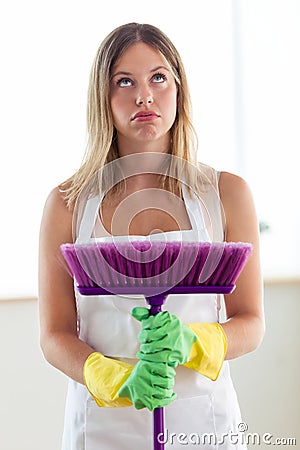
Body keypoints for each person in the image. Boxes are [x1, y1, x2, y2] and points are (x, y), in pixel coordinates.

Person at [38, 23, 265, 450]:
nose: (144, 96)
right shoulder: (66, 205)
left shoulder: (227, 195)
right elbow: (54, 334)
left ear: (179, 88)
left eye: (158, 77)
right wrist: (112, 377)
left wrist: (195, 341)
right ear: (102, 99)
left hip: (203, 427)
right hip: (101, 430)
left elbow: (251, 322)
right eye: (125, 81)